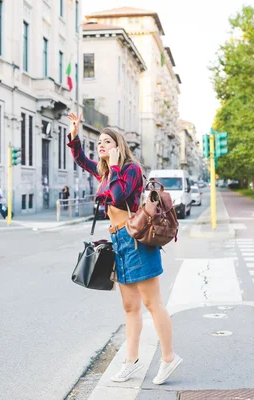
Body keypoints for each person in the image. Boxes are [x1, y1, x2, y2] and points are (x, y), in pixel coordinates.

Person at [66, 112, 182, 385]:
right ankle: (130, 361)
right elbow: (82, 160)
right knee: (130, 307)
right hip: (118, 243)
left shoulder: (130, 169)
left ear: (118, 145)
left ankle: (169, 358)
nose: (101, 146)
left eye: (107, 142)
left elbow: (118, 196)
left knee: (153, 304)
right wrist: (74, 133)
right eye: (99, 143)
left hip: (136, 242)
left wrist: (116, 165)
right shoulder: (105, 171)